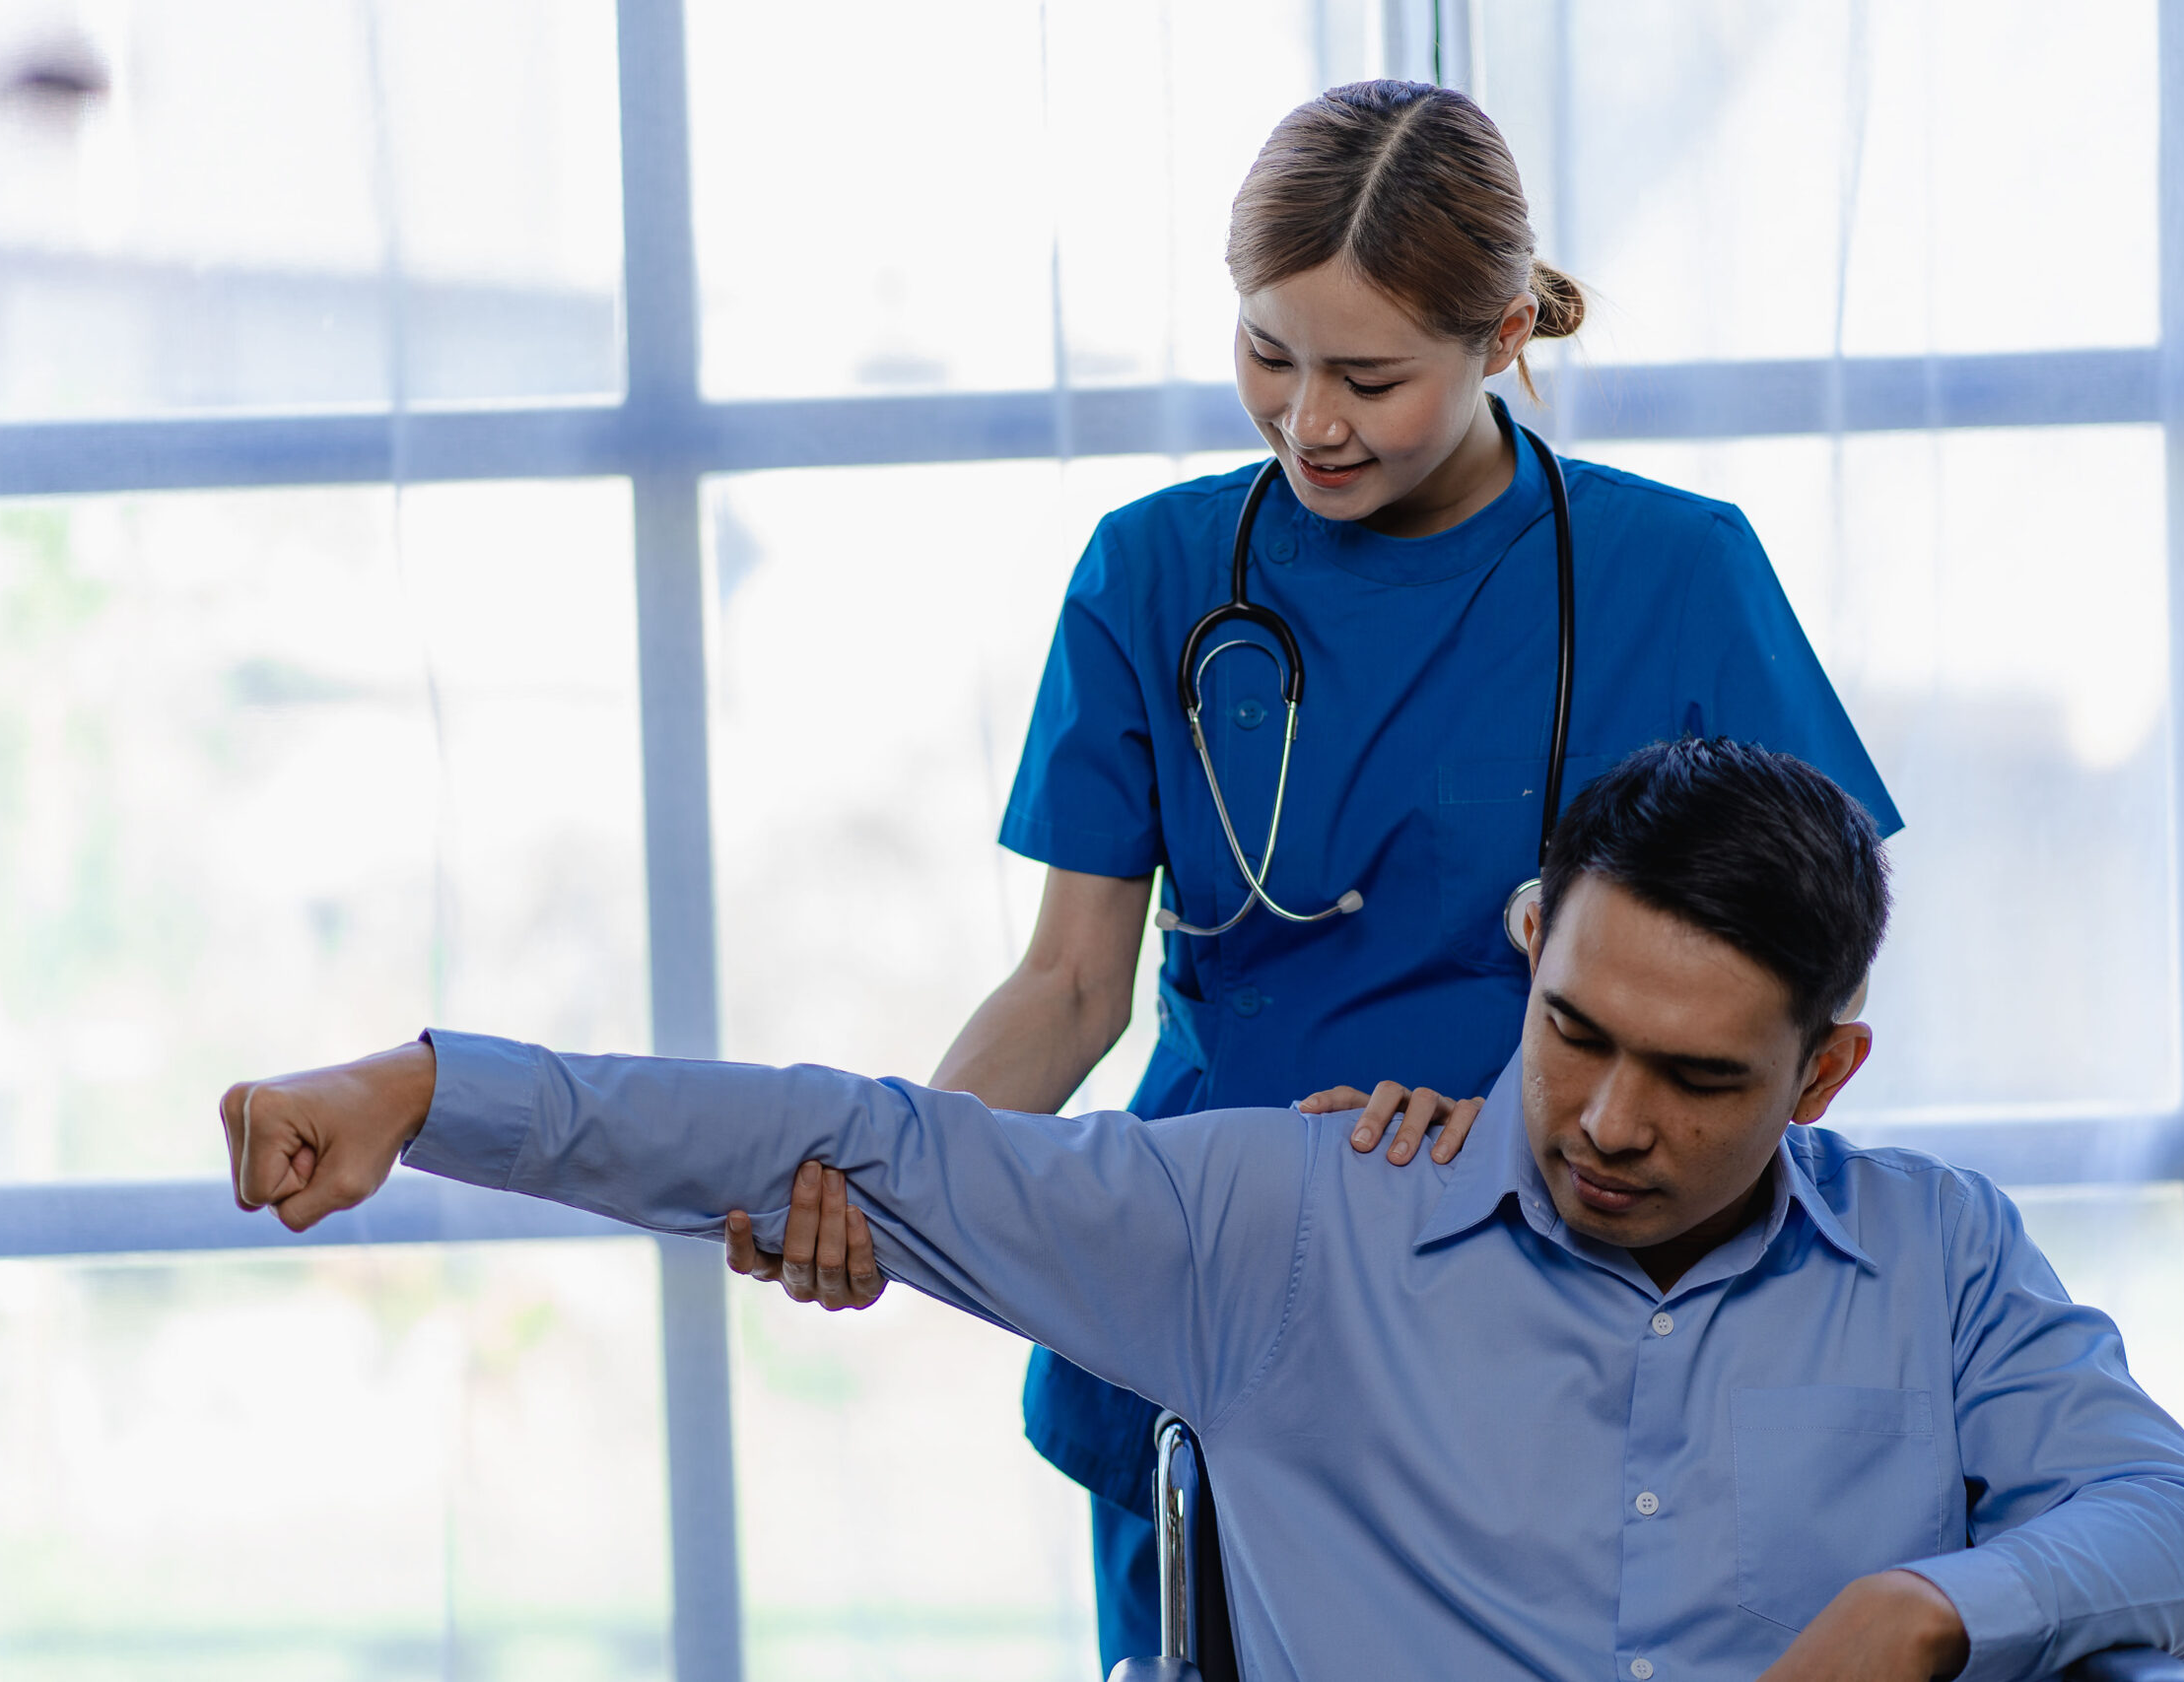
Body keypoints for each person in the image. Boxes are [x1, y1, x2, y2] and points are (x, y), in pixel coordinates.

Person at [217, 740, 2184, 1682]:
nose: (1608, 1117)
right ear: (1531, 944)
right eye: (1572, 1032)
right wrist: (414, 1090)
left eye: (1702, 1076)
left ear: (1823, 1072)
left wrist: (1923, 1606)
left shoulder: (1935, 1254)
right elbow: (853, 1132)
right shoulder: (1295, 1218)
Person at [721, 77, 1903, 1670]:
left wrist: (1510, 1126)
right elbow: (1070, 984)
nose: (1308, 422)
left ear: (1499, 340)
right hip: (1202, 1287)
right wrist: (891, 1176)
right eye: (1268, 354)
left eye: (1370, 375)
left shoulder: (1674, 573)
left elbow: (1805, 970)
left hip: (1528, 1304)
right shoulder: (1153, 573)